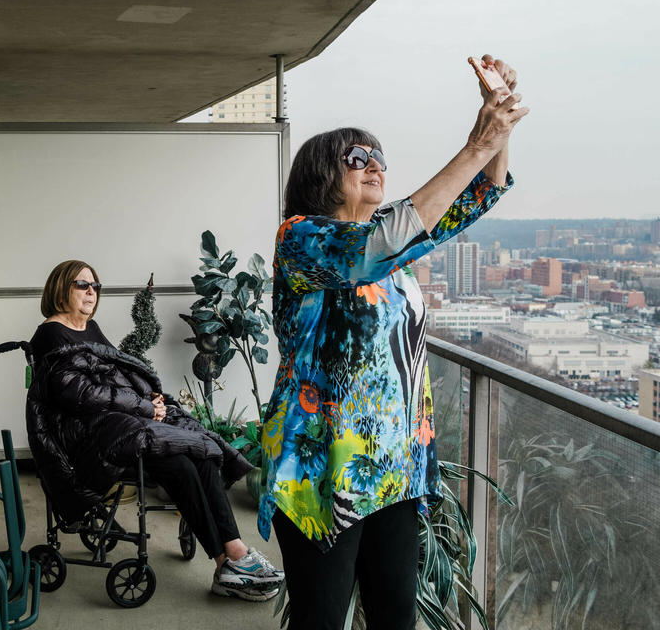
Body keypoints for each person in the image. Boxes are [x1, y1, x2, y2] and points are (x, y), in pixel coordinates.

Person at [257, 55, 529, 629]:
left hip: (396, 472)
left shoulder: (394, 259)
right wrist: (476, 144)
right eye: (358, 158)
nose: (375, 165)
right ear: (320, 174)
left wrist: (495, 124)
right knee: (321, 620)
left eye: (379, 156)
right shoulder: (302, 240)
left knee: (395, 620)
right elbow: (372, 248)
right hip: (323, 472)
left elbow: (483, 193)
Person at [27, 259, 285, 601]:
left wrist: (152, 400)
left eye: (96, 287)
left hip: (120, 423)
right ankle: (229, 562)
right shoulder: (50, 333)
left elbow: (116, 377)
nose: (91, 292)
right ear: (61, 288)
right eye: (82, 285)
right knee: (179, 462)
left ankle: (232, 553)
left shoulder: (90, 327)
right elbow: (79, 395)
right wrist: (145, 407)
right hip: (89, 438)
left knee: (200, 450)